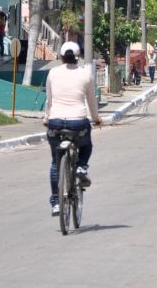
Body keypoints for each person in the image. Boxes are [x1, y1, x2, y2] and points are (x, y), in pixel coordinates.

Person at [45, 41, 102, 216]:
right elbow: (92, 102)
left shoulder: (53, 73)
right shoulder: (85, 75)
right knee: (87, 145)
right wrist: (96, 118)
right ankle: (81, 167)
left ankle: (55, 201)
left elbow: (50, 100)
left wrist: (47, 118)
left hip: (55, 122)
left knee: (56, 162)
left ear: (61, 57)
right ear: (78, 57)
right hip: (78, 122)